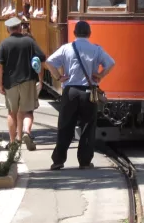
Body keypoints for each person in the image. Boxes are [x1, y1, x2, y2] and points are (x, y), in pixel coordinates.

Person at [45, 20, 116, 170]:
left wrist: (58, 77)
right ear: (89, 34)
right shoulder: (96, 49)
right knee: (88, 126)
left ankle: (58, 160)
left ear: (74, 33)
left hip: (70, 91)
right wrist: (100, 75)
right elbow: (111, 63)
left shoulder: (67, 48)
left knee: (65, 125)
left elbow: (49, 61)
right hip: (88, 93)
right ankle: (84, 161)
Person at [0, 16, 46, 151]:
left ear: (8, 29)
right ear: (19, 28)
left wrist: (0, 84)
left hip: (10, 83)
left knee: (12, 112)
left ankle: (13, 142)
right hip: (28, 81)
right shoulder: (29, 42)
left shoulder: (4, 44)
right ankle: (26, 133)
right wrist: (40, 80)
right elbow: (42, 59)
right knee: (26, 111)